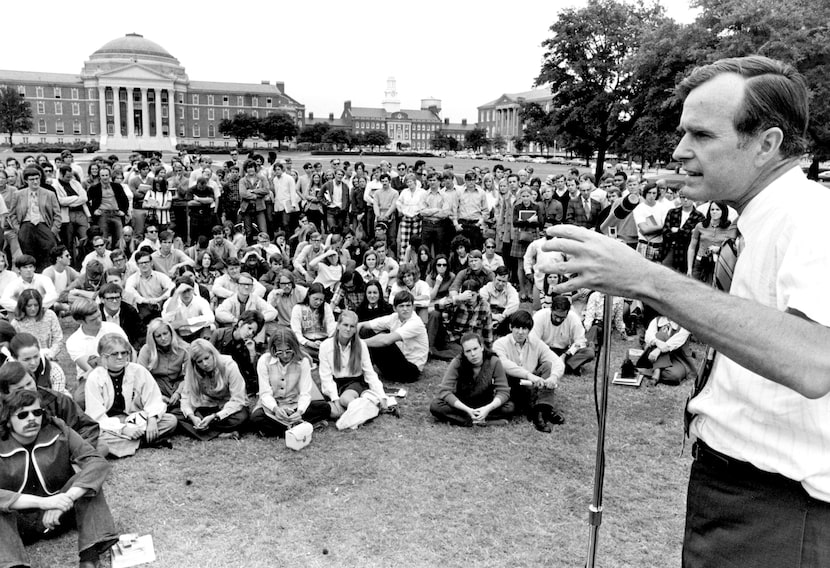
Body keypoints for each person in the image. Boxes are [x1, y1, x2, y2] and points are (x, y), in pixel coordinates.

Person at [540, 55, 830, 566]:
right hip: (740, 491)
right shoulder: (762, 222)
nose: (679, 151)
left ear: (767, 143)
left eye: (701, 135)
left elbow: (814, 360)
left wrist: (644, 278)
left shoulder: (812, 221)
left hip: (782, 512)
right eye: (682, 133)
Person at [0, 389, 119, 568]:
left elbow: (97, 462)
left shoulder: (59, 430)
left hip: (60, 515)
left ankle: (90, 557)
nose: (32, 419)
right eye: (23, 415)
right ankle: (13, 565)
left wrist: (64, 500)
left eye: (37, 412)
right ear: (8, 420)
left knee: (86, 480)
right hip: (16, 524)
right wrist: (43, 503)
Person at [84, 333, 177, 456]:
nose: (120, 357)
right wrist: (123, 429)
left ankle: (129, 443)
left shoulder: (138, 370)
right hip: (108, 424)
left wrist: (152, 419)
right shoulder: (95, 378)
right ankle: (145, 441)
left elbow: (154, 399)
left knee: (170, 421)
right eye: (115, 354)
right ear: (103, 357)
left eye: (124, 353)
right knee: (97, 438)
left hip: (134, 419)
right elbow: (96, 416)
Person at [0, 361, 101, 453]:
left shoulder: (55, 399)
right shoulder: (3, 409)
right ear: (6, 392)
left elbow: (87, 426)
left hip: (59, 452)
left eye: (29, 383)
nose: (28, 389)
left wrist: (74, 451)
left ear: (34, 378)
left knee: (101, 446)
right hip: (17, 456)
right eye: (20, 388)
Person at [250, 326, 331, 437]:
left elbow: (305, 393)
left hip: (295, 404)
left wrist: (300, 412)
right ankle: (298, 427)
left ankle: (283, 428)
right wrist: (276, 409)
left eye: (288, 351)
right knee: (256, 418)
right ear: (273, 349)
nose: (284, 355)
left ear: (294, 347)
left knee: (324, 408)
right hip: (273, 407)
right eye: (280, 352)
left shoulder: (303, 361)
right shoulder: (264, 360)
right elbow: (265, 393)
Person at [493, 310, 565, 432]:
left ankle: (541, 411)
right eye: (517, 327)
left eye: (524, 328)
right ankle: (539, 408)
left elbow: (557, 361)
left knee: (548, 366)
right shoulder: (500, 344)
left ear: (529, 330)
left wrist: (554, 376)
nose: (520, 332)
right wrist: (529, 375)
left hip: (530, 384)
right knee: (510, 407)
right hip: (511, 385)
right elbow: (504, 365)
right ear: (510, 327)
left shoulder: (535, 342)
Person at [429, 333, 514, 427]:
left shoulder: (494, 361)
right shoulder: (457, 362)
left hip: (486, 403)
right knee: (436, 406)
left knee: (509, 407)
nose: (473, 354)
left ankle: (469, 419)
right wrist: (468, 410)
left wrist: (488, 408)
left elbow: (503, 391)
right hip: (463, 404)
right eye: (468, 351)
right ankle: (481, 421)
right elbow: (445, 390)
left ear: (481, 347)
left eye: (475, 349)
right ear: (464, 353)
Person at [319, 311, 386, 418]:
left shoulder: (361, 345)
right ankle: (366, 404)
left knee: (345, 399)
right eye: (345, 325)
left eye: (352, 326)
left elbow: (369, 373)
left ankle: (367, 407)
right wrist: (335, 399)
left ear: (355, 329)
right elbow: (325, 377)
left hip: (354, 383)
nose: (348, 329)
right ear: (338, 326)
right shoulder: (325, 346)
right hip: (335, 383)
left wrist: (382, 396)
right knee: (334, 412)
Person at [179, 339, 249, 440]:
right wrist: (192, 417)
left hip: (228, 407)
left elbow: (238, 399)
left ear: (213, 354)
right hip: (208, 405)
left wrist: (214, 417)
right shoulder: (192, 371)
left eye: (207, 358)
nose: (205, 364)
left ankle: (204, 430)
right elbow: (186, 398)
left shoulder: (229, 365)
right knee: (177, 413)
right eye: (200, 361)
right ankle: (220, 433)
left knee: (241, 418)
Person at [358, 290, 428, 383]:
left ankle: (363, 367)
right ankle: (359, 368)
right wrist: (356, 328)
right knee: (365, 330)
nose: (405, 309)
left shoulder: (415, 322)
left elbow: (386, 341)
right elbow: (367, 324)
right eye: (401, 306)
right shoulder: (394, 317)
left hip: (411, 371)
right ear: (395, 308)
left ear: (413, 307)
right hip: (396, 364)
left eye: (408, 305)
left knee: (383, 338)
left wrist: (359, 343)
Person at [7, 166, 60, 271]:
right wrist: (18, 229)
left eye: (37, 178)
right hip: (26, 225)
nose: (35, 182)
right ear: (26, 181)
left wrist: (54, 230)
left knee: (49, 249)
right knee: (28, 254)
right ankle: (31, 275)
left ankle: (46, 274)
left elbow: (57, 215)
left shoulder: (49, 194)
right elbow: (12, 214)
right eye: (32, 179)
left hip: (43, 225)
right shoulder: (18, 194)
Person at [137, 318, 189, 417]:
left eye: (165, 333)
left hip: (178, 385)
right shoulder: (147, 350)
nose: (163, 338)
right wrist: (159, 396)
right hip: (156, 386)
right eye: (158, 336)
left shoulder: (184, 348)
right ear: (153, 338)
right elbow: (141, 377)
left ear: (171, 333)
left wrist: (178, 393)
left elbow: (189, 377)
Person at [531, 295, 594, 375]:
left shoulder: (573, 318)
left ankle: (557, 366)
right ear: (551, 310)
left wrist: (565, 355)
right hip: (544, 351)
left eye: (562, 317)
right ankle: (567, 367)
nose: (558, 319)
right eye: (556, 316)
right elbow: (534, 341)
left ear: (567, 312)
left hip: (564, 352)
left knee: (589, 352)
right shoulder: (539, 316)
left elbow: (580, 341)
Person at [211, 310, 264, 397]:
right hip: (217, 375)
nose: (250, 333)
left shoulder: (251, 345)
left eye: (253, 332)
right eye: (249, 328)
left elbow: (253, 375)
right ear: (240, 323)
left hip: (237, 381)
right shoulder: (219, 334)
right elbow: (207, 355)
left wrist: (252, 353)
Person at [686, 200, 738, 283]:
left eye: (718, 210)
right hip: (700, 262)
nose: (714, 212)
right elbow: (692, 247)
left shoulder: (729, 227)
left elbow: (733, 248)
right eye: (712, 209)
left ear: (723, 211)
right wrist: (689, 269)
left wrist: (719, 248)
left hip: (719, 265)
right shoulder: (700, 226)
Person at [637, 315, 696, 385]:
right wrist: (657, 342)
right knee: (660, 335)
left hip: (676, 357)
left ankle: (651, 369)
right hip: (653, 356)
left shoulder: (684, 325)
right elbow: (648, 337)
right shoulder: (657, 320)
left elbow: (676, 341)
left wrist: (658, 350)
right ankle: (656, 372)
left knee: (675, 376)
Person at [10, 288, 63, 360]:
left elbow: (58, 339)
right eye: (29, 306)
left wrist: (50, 354)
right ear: (23, 306)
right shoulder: (16, 323)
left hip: (49, 358)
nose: (33, 309)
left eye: (36, 305)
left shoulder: (50, 315)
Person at [661, 190, 705, 273]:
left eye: (688, 198)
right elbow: (665, 233)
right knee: (665, 272)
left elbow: (696, 236)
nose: (685, 200)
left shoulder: (699, 216)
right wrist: (686, 233)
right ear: (679, 198)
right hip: (671, 248)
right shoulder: (672, 212)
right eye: (682, 197)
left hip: (688, 251)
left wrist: (678, 230)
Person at [290, 282, 336, 361]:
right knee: (296, 349)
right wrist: (309, 343)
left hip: (324, 341)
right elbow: (296, 332)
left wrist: (326, 342)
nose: (318, 302)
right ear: (309, 295)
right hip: (306, 343)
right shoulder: (298, 308)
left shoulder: (326, 307)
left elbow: (331, 327)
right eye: (315, 299)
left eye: (321, 300)